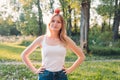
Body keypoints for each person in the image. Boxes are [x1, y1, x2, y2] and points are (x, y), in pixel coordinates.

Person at [21, 8, 85, 80]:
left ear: (62, 25)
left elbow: (81, 56)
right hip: (45, 75)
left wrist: (70, 69)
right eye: (53, 21)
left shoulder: (66, 40)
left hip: (61, 76)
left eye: (58, 22)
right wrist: (34, 70)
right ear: (49, 23)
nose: (55, 24)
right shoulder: (41, 39)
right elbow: (24, 55)